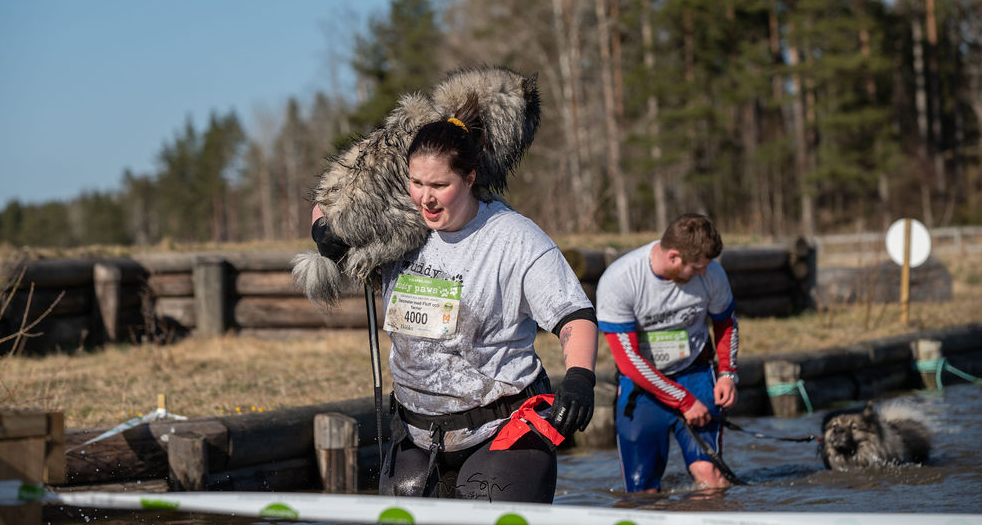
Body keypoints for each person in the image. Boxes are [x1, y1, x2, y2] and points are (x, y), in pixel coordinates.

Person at [310, 96, 598, 503]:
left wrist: (581, 378)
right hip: (417, 432)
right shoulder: (399, 228)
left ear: (469, 177)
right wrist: (322, 230)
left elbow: (575, 316)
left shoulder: (512, 237)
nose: (425, 198)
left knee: (480, 505)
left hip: (502, 430)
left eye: (440, 186)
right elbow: (327, 200)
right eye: (416, 183)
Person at [596, 213, 739, 493]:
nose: (702, 273)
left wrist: (727, 374)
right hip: (643, 386)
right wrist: (683, 401)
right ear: (674, 257)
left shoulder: (712, 272)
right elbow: (629, 361)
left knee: (712, 480)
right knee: (642, 492)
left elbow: (726, 323)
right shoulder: (620, 280)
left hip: (695, 375)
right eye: (696, 268)